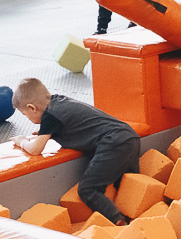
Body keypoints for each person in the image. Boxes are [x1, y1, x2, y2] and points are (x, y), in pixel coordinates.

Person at [11, 77, 139, 226]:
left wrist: (21, 141)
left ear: (32, 108)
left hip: (113, 143)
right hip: (129, 136)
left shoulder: (49, 116)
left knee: (87, 189)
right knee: (128, 185)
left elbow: (35, 150)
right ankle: (138, 218)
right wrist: (45, 132)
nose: (28, 119)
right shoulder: (59, 102)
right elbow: (76, 119)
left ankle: (119, 221)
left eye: (25, 115)